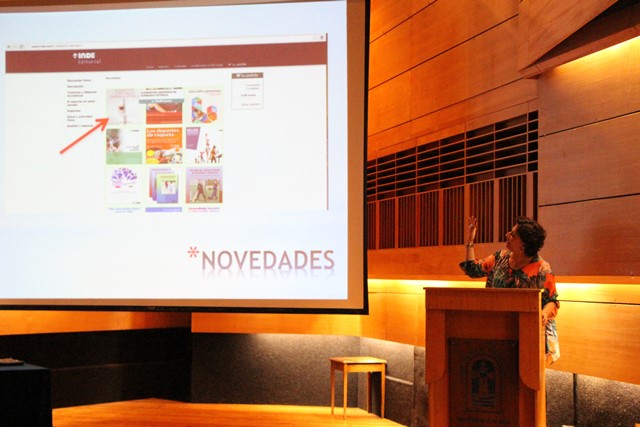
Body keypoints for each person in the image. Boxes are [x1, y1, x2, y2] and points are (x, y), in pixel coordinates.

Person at [459, 216, 560, 365]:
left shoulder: (542, 269)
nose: (507, 235)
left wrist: (544, 313)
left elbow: (552, 301)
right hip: (498, 331)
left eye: (513, 234)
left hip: (529, 336)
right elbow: (472, 269)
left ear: (523, 245)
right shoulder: (499, 258)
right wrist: (470, 241)